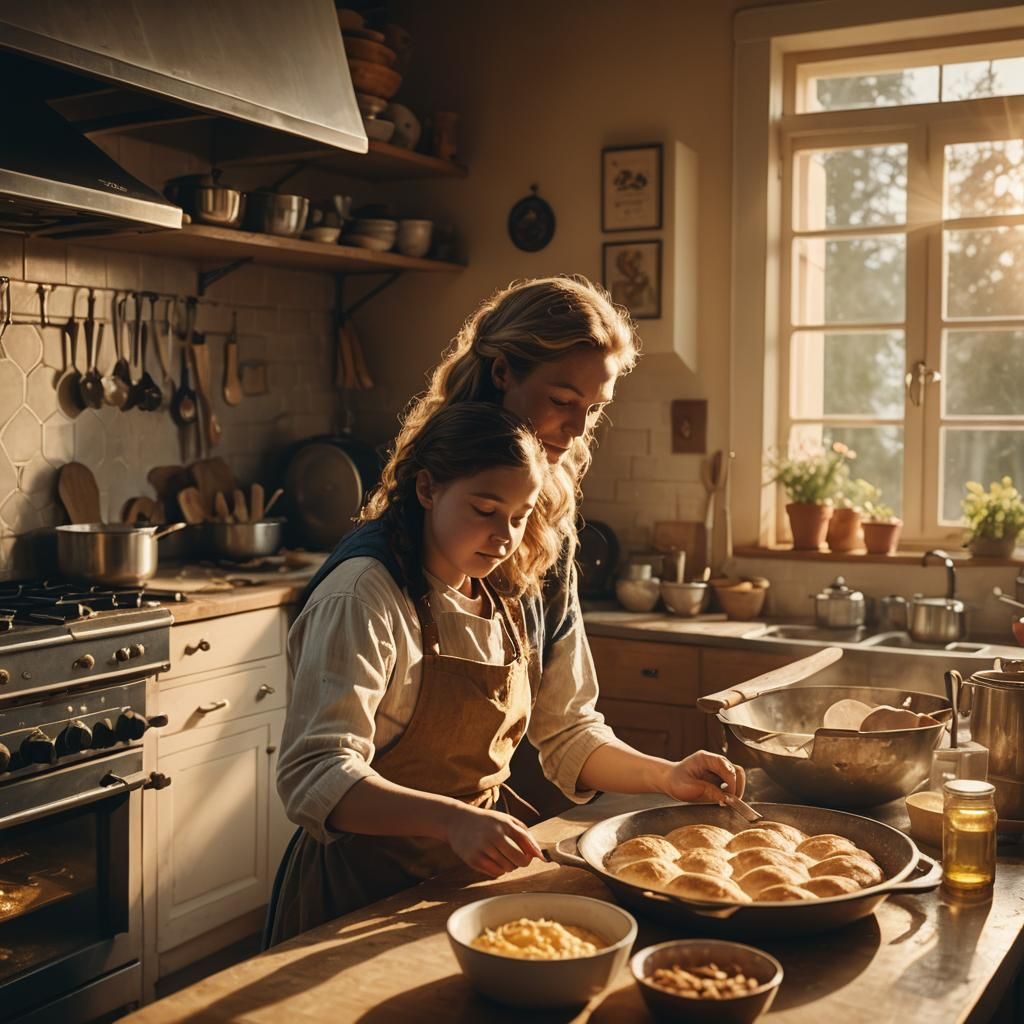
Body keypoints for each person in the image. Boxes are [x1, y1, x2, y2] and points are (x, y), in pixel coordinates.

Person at [266, 278, 745, 947]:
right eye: (563, 400)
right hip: (356, 896)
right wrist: (454, 821)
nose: (579, 430)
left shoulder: (534, 543)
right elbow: (316, 773)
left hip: (461, 890)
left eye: (595, 408)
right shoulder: (375, 583)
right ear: (502, 373)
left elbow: (568, 729)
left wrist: (666, 778)